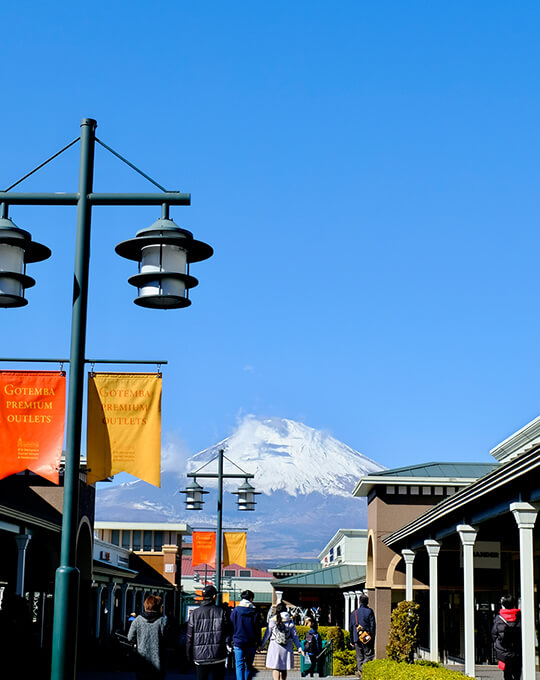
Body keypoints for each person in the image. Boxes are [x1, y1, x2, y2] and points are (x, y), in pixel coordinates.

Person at [186, 584, 232, 680]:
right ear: (214, 597)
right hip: (218, 654)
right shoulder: (221, 612)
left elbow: (189, 637)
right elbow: (229, 631)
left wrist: (189, 655)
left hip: (200, 656)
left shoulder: (194, 613)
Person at [127, 594, 169, 680]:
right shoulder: (163, 621)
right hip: (159, 660)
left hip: (142, 660)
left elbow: (130, 637)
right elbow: (169, 639)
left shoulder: (138, 620)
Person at [260, 601, 304, 680]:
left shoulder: (273, 620)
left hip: (275, 646)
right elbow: (294, 636)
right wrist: (299, 648)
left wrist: (262, 646)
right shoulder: (290, 620)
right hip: (287, 646)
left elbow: (267, 634)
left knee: (276, 667)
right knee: (284, 668)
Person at [230, 589, 261, 680]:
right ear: (251, 599)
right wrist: (259, 643)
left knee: (239, 664)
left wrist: (229, 640)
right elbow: (257, 629)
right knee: (249, 665)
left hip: (238, 641)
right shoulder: (255, 611)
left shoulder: (235, 611)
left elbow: (231, 626)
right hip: (251, 642)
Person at [491, 594, 522, 680]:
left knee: (507, 674)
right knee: (517, 674)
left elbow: (494, 634)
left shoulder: (499, 618)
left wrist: (498, 644)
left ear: (503, 605)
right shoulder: (520, 617)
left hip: (503, 651)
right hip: (517, 651)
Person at [349, 594, 375, 676]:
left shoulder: (354, 613)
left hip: (356, 638)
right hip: (366, 637)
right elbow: (372, 626)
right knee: (369, 655)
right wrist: (372, 637)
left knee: (359, 657)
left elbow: (350, 628)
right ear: (367, 602)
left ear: (359, 602)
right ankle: (363, 669)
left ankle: (360, 671)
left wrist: (351, 640)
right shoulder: (369, 611)